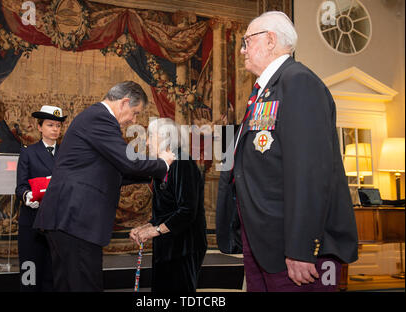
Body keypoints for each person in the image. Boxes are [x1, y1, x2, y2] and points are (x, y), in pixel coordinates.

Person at [216, 11, 358, 292]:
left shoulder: (299, 83)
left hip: (292, 251)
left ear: (270, 40)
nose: (243, 49)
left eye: (247, 41)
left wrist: (302, 247)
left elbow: (310, 173)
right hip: (264, 242)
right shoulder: (265, 92)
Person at [33, 81, 175, 291]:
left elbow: (114, 173)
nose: (133, 120)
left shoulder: (95, 119)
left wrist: (151, 175)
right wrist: (162, 163)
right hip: (74, 220)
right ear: (124, 102)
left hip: (68, 220)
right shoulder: (99, 118)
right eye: (134, 113)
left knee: (70, 285)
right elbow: (129, 162)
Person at [130, 118, 207, 292]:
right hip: (166, 246)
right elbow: (165, 210)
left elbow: (187, 211)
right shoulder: (164, 165)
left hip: (184, 247)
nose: (147, 141)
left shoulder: (183, 164)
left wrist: (155, 231)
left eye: (150, 136)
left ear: (165, 137)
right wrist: (145, 227)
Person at [15, 105, 67, 291]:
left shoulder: (67, 154)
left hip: (58, 222)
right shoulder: (28, 153)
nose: (55, 129)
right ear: (39, 127)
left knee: (54, 272)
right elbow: (20, 186)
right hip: (33, 221)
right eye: (50, 124)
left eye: (58, 126)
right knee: (30, 269)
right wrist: (27, 196)